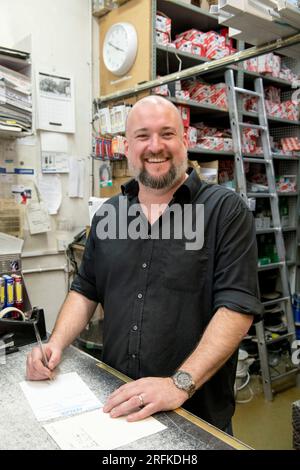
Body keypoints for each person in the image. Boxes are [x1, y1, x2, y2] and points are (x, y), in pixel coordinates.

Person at [26, 95, 263, 433]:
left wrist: (177, 384)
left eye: (167, 134)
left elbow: (237, 309)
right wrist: (55, 345)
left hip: (194, 414)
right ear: (125, 145)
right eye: (143, 135)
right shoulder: (109, 214)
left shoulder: (224, 211)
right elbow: (84, 289)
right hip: (116, 406)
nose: (156, 146)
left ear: (185, 140)